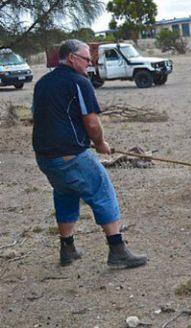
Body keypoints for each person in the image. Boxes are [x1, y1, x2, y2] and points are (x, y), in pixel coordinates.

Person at [32, 39, 148, 269]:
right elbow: (91, 122)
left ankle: (67, 249)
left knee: (65, 193)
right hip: (70, 155)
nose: (90, 63)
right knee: (102, 191)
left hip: (45, 157)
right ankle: (117, 251)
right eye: (86, 59)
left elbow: (41, 116)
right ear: (72, 58)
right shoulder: (78, 82)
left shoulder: (42, 83)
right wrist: (100, 142)